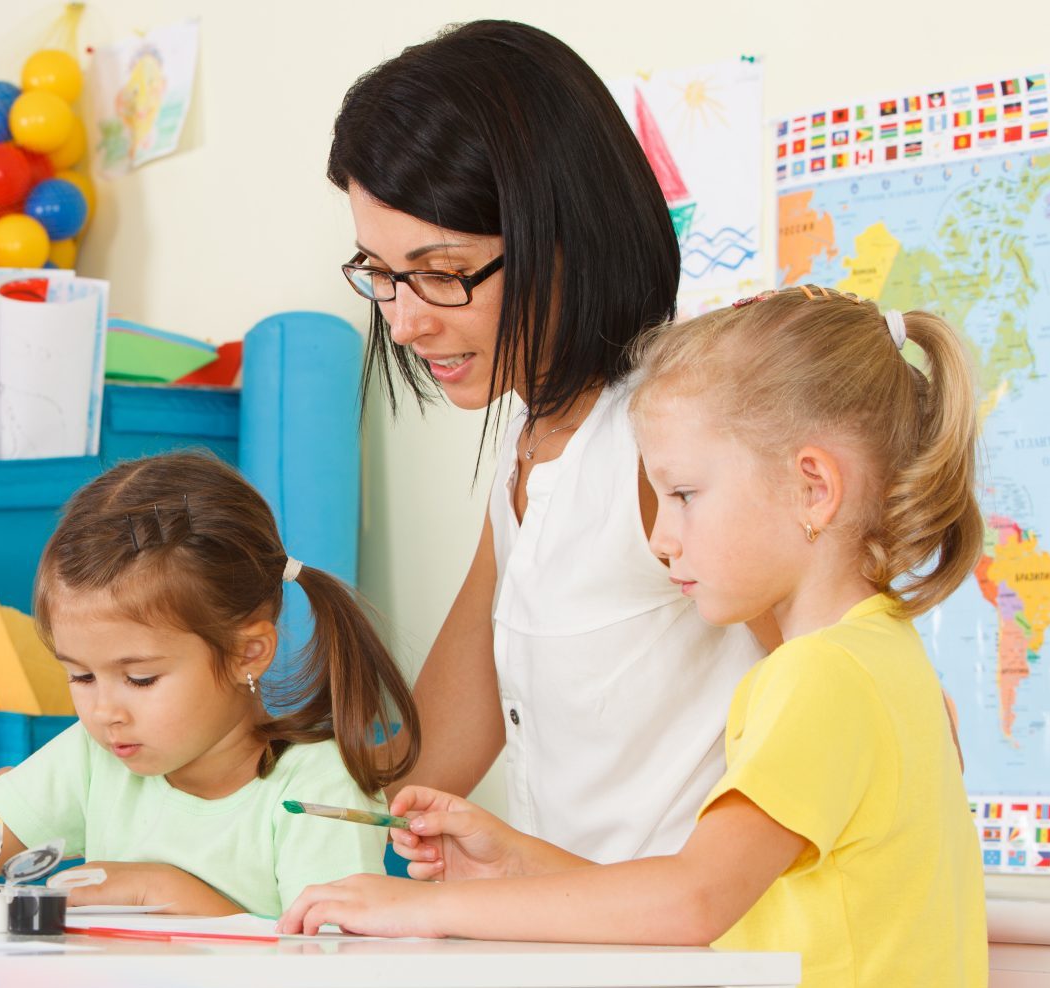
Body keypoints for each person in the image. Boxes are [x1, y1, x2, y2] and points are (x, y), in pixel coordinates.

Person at [0, 18, 772, 868]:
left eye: (439, 272)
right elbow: (405, 770)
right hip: (579, 938)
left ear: (561, 236)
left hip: (700, 945)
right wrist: (69, 788)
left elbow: (816, 710)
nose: (407, 319)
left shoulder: (672, 449)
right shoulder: (533, 445)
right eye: (382, 274)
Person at [279, 286, 988, 987]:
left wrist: (427, 910)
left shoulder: (822, 680)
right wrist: (516, 861)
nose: (660, 538)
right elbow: (723, 909)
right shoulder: (882, 655)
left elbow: (694, 900)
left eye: (682, 496)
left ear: (813, 488)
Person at [0, 453, 420, 916]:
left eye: (140, 678)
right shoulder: (94, 760)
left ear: (248, 653)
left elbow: (331, 965)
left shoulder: (315, 789)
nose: (105, 711)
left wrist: (162, 889)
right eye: (81, 675)